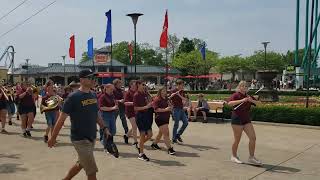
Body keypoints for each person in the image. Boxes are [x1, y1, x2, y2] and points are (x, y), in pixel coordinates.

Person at [48, 69, 111, 180]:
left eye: (94, 78)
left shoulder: (93, 95)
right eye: (90, 78)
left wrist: (104, 128)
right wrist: (53, 137)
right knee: (92, 172)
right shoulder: (73, 97)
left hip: (91, 137)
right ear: (81, 80)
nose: (93, 80)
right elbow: (61, 119)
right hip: (80, 139)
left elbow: (96, 115)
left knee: (81, 163)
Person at [227, 81, 262, 166]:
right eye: (243, 86)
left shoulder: (249, 96)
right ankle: (234, 156)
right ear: (239, 87)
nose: (245, 87)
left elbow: (260, 104)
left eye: (246, 86)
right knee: (237, 140)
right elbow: (229, 103)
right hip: (237, 120)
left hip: (246, 120)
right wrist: (242, 100)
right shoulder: (236, 95)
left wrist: (252, 100)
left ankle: (251, 157)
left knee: (253, 138)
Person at [151, 87, 176, 155]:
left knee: (160, 133)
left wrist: (171, 107)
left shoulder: (166, 98)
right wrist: (166, 109)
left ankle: (154, 144)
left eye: (165, 91)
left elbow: (170, 106)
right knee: (166, 133)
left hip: (166, 118)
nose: (165, 92)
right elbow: (156, 110)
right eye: (163, 91)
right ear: (160, 91)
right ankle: (170, 149)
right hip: (159, 118)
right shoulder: (157, 99)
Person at [133, 80, 153, 161]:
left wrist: (150, 101)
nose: (144, 85)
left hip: (146, 115)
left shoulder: (145, 93)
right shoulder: (136, 95)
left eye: (145, 84)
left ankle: (140, 146)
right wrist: (146, 107)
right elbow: (135, 108)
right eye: (143, 84)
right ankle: (141, 154)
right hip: (140, 116)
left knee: (150, 135)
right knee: (142, 134)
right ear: (138, 85)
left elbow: (149, 102)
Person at [99, 83, 119, 158]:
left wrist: (116, 106)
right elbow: (101, 108)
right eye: (111, 89)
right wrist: (113, 108)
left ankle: (108, 144)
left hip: (112, 115)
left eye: (112, 89)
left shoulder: (112, 96)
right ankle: (106, 147)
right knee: (107, 132)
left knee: (113, 131)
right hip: (105, 115)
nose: (112, 90)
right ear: (106, 88)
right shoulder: (102, 97)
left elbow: (114, 104)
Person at [169, 79, 188, 143]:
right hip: (176, 109)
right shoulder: (173, 90)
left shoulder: (182, 91)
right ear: (178, 85)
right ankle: (173, 138)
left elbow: (185, 99)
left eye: (183, 85)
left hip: (181, 109)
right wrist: (173, 95)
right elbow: (169, 98)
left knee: (186, 122)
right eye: (182, 85)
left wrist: (179, 95)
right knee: (176, 124)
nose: (183, 86)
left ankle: (178, 134)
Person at [113, 79, 130, 144]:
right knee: (114, 119)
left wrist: (124, 99)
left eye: (121, 83)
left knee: (123, 119)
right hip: (116, 107)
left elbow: (124, 97)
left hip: (122, 107)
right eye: (119, 83)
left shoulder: (121, 90)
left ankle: (126, 131)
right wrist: (119, 101)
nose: (121, 84)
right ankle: (112, 131)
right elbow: (112, 98)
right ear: (116, 84)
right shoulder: (113, 90)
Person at [124, 80, 138, 149]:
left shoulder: (137, 92)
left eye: (136, 85)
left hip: (136, 111)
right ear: (131, 85)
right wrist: (134, 103)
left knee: (134, 126)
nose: (135, 86)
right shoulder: (128, 93)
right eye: (134, 85)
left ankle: (126, 135)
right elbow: (125, 103)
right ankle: (135, 142)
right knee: (135, 127)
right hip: (129, 111)